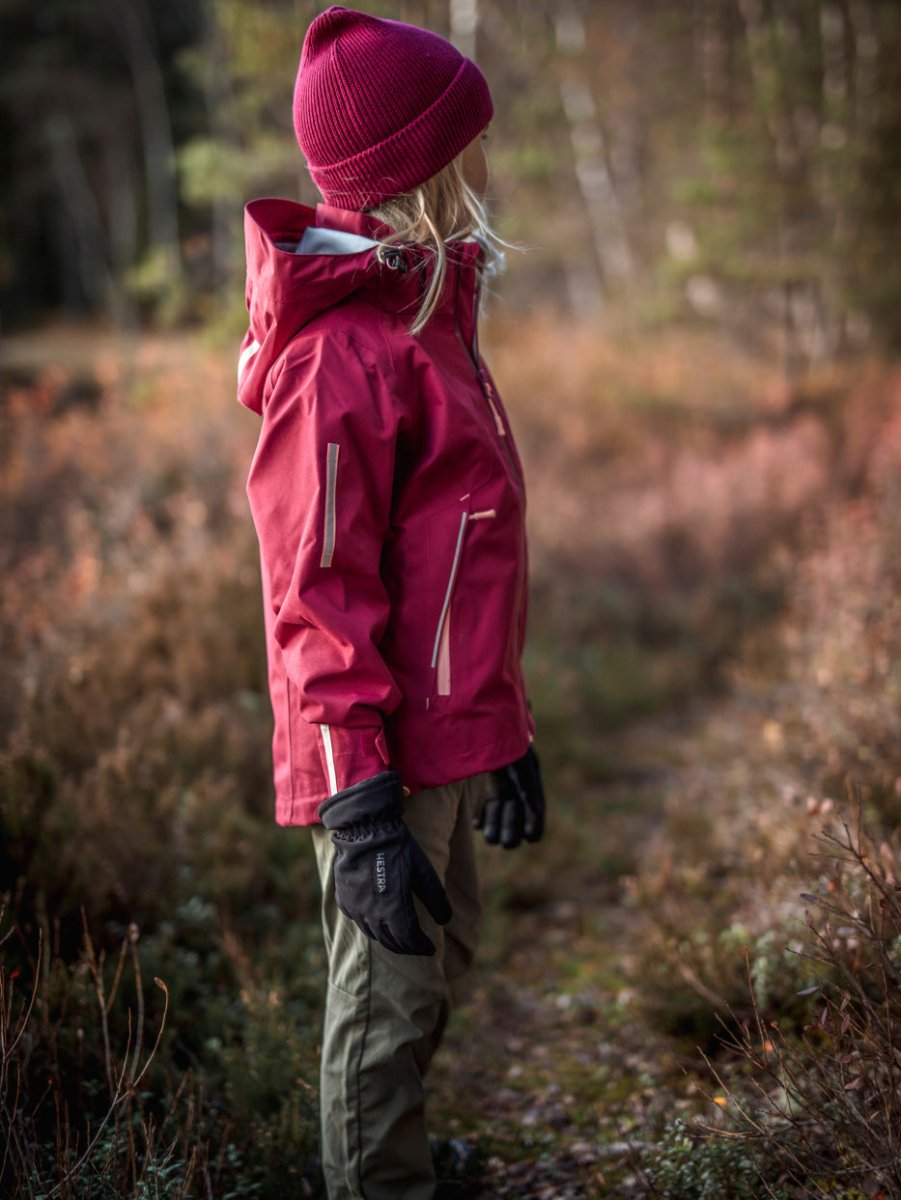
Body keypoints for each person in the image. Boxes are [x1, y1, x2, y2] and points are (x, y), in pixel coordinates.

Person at [237, 7, 545, 1197]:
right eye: (467, 144)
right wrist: (359, 802)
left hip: (448, 734)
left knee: (439, 959)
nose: (486, 163)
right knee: (382, 997)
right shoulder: (340, 360)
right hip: (379, 759)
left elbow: (463, 559)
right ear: (419, 172)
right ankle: (376, 1178)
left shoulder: (431, 316)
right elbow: (314, 592)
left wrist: (503, 729)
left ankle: (402, 1153)